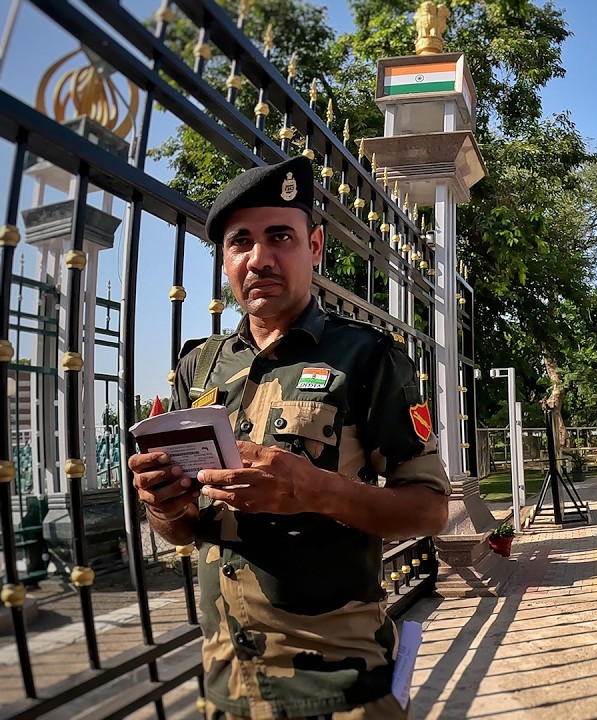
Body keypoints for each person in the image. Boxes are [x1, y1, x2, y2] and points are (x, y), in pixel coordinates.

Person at [127, 157, 450, 719]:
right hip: (227, 684)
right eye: (240, 242)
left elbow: (428, 511)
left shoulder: (368, 357)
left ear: (316, 245)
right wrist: (163, 506)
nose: (260, 258)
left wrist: (314, 490)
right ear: (225, 259)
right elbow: (183, 532)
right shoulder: (197, 370)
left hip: (338, 688)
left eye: (281, 236)